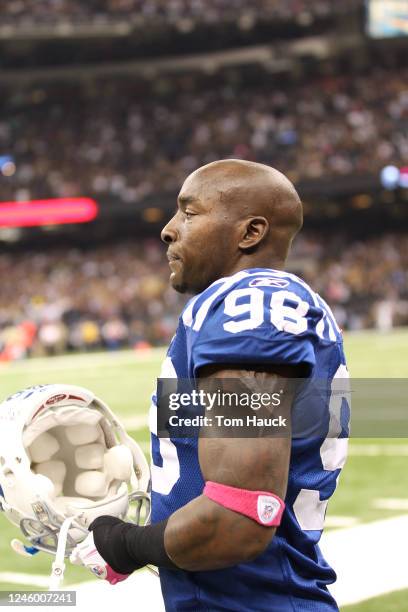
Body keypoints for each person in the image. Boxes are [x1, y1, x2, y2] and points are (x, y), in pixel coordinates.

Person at [71, 159, 350, 611]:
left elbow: (241, 514)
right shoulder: (250, 305)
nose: (168, 229)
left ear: (250, 233)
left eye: (189, 212)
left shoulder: (251, 303)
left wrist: (126, 544)